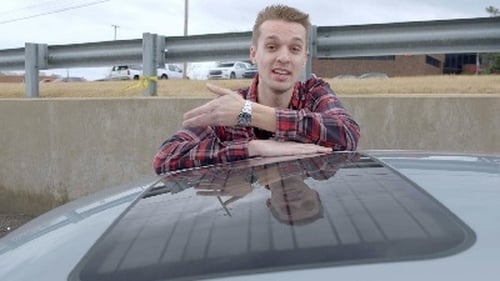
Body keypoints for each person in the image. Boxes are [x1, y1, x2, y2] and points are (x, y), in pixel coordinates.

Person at [153, 4, 360, 174]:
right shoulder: (231, 104)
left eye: (295, 49)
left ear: (304, 58)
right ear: (253, 54)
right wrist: (252, 148)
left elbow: (348, 135)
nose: (283, 58)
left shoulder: (314, 92)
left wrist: (249, 114)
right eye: (272, 47)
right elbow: (166, 158)